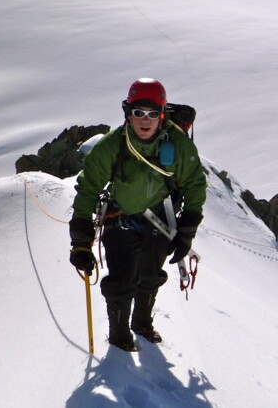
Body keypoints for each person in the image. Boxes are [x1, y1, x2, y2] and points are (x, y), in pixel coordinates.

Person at [68, 78, 207, 351]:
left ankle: (142, 323)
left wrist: (187, 231)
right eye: (138, 112)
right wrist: (81, 241)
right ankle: (120, 340)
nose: (145, 120)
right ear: (127, 113)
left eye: (153, 113)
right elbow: (88, 189)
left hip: (160, 219)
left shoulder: (177, 144)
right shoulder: (112, 146)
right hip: (121, 218)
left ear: (162, 115)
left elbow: (195, 185)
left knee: (151, 276)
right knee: (121, 281)